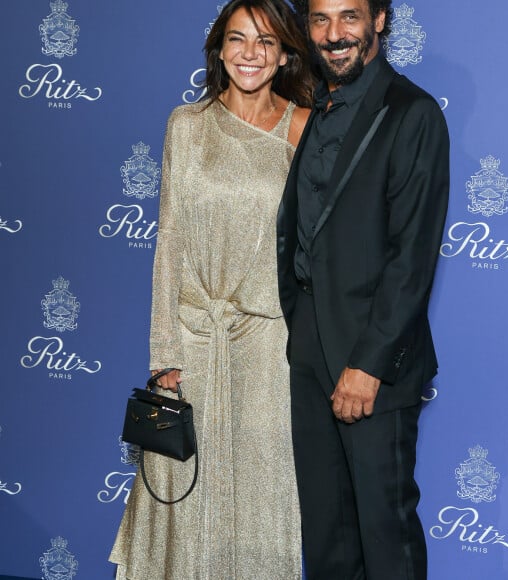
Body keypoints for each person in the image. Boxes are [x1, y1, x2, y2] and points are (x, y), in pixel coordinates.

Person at [110, 1, 314, 578]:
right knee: (183, 497)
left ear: (283, 55)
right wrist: (164, 354)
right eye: (238, 39)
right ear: (219, 49)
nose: (251, 53)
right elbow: (168, 240)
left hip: (267, 344)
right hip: (193, 341)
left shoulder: (303, 126)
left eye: (266, 42)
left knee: (263, 496)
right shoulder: (186, 124)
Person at [276, 0, 450, 578]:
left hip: (370, 366)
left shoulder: (412, 113)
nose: (333, 35)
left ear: (379, 20)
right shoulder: (316, 107)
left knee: (385, 534)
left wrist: (368, 365)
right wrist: (298, 329)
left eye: (349, 17)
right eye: (320, 20)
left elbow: (412, 256)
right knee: (327, 537)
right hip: (309, 353)